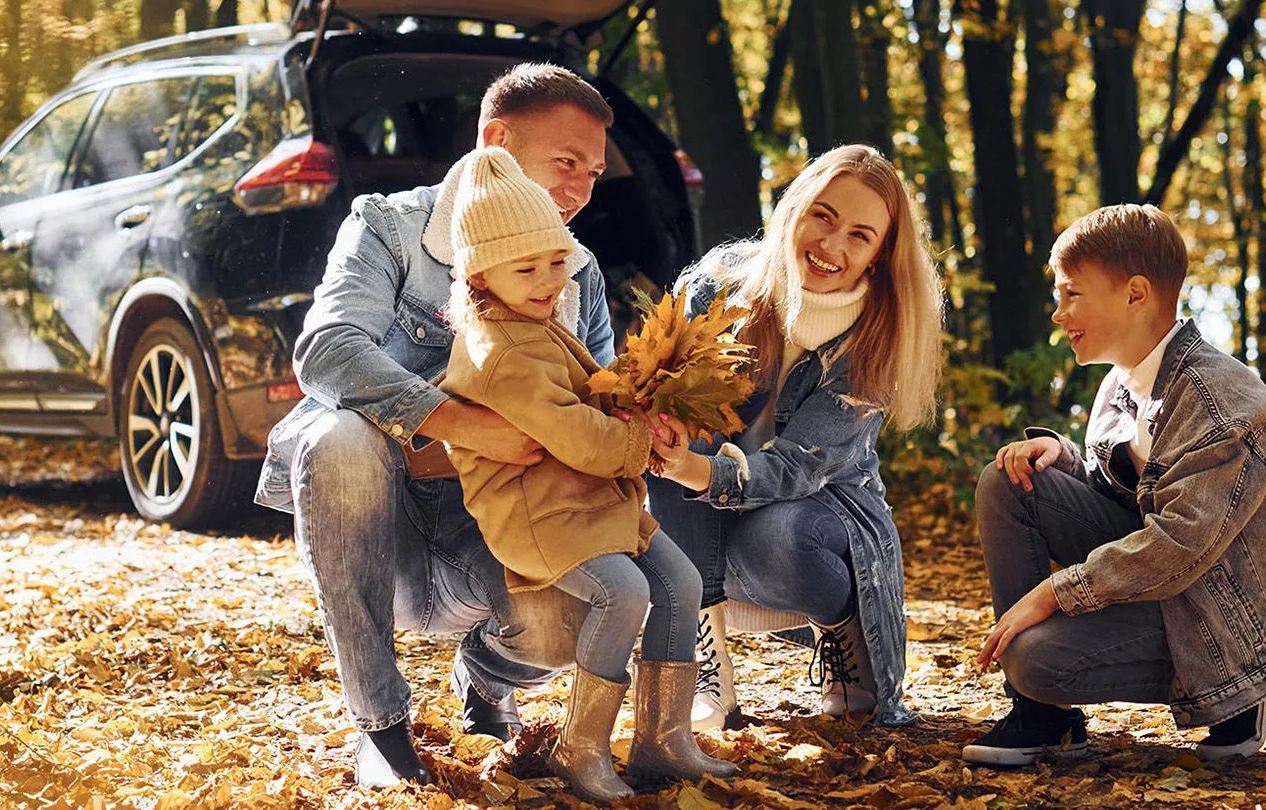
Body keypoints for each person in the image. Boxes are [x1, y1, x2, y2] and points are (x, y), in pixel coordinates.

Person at [253, 63, 613, 788]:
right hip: (384, 535)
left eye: (595, 174)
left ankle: (487, 679)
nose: (578, 191)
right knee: (341, 437)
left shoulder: (578, 270)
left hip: (500, 526)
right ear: (497, 141)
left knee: (575, 620)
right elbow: (327, 351)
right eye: (565, 162)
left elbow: (600, 403)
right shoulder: (389, 226)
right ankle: (381, 731)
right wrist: (467, 426)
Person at [438, 146, 737, 802]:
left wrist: (642, 411)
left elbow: (589, 400)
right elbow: (575, 436)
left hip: (586, 495)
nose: (549, 279)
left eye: (556, 261)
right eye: (528, 267)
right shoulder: (497, 351)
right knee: (624, 593)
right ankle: (582, 747)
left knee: (680, 580)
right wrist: (639, 444)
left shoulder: (534, 321)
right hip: (538, 511)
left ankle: (664, 738)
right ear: (480, 276)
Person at [962, 204, 1266, 766]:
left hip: (1220, 613)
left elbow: (1181, 543)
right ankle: (1044, 720)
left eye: (1071, 295)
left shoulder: (1222, 399)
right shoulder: (1118, 385)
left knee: (1036, 660)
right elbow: (1128, 504)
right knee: (1007, 482)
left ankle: (1236, 691)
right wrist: (1060, 458)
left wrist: (1052, 594)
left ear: (1136, 293)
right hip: (1166, 580)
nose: (1058, 314)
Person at [646, 144, 946, 730]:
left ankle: (842, 629)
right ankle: (704, 668)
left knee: (782, 534)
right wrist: (670, 444)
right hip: (699, 527)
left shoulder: (876, 339)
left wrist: (692, 470)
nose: (832, 246)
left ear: (879, 258)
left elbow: (798, 469)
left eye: (859, 236)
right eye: (824, 217)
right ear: (795, 209)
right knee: (686, 428)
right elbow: (659, 391)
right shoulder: (719, 285)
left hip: (814, 520)